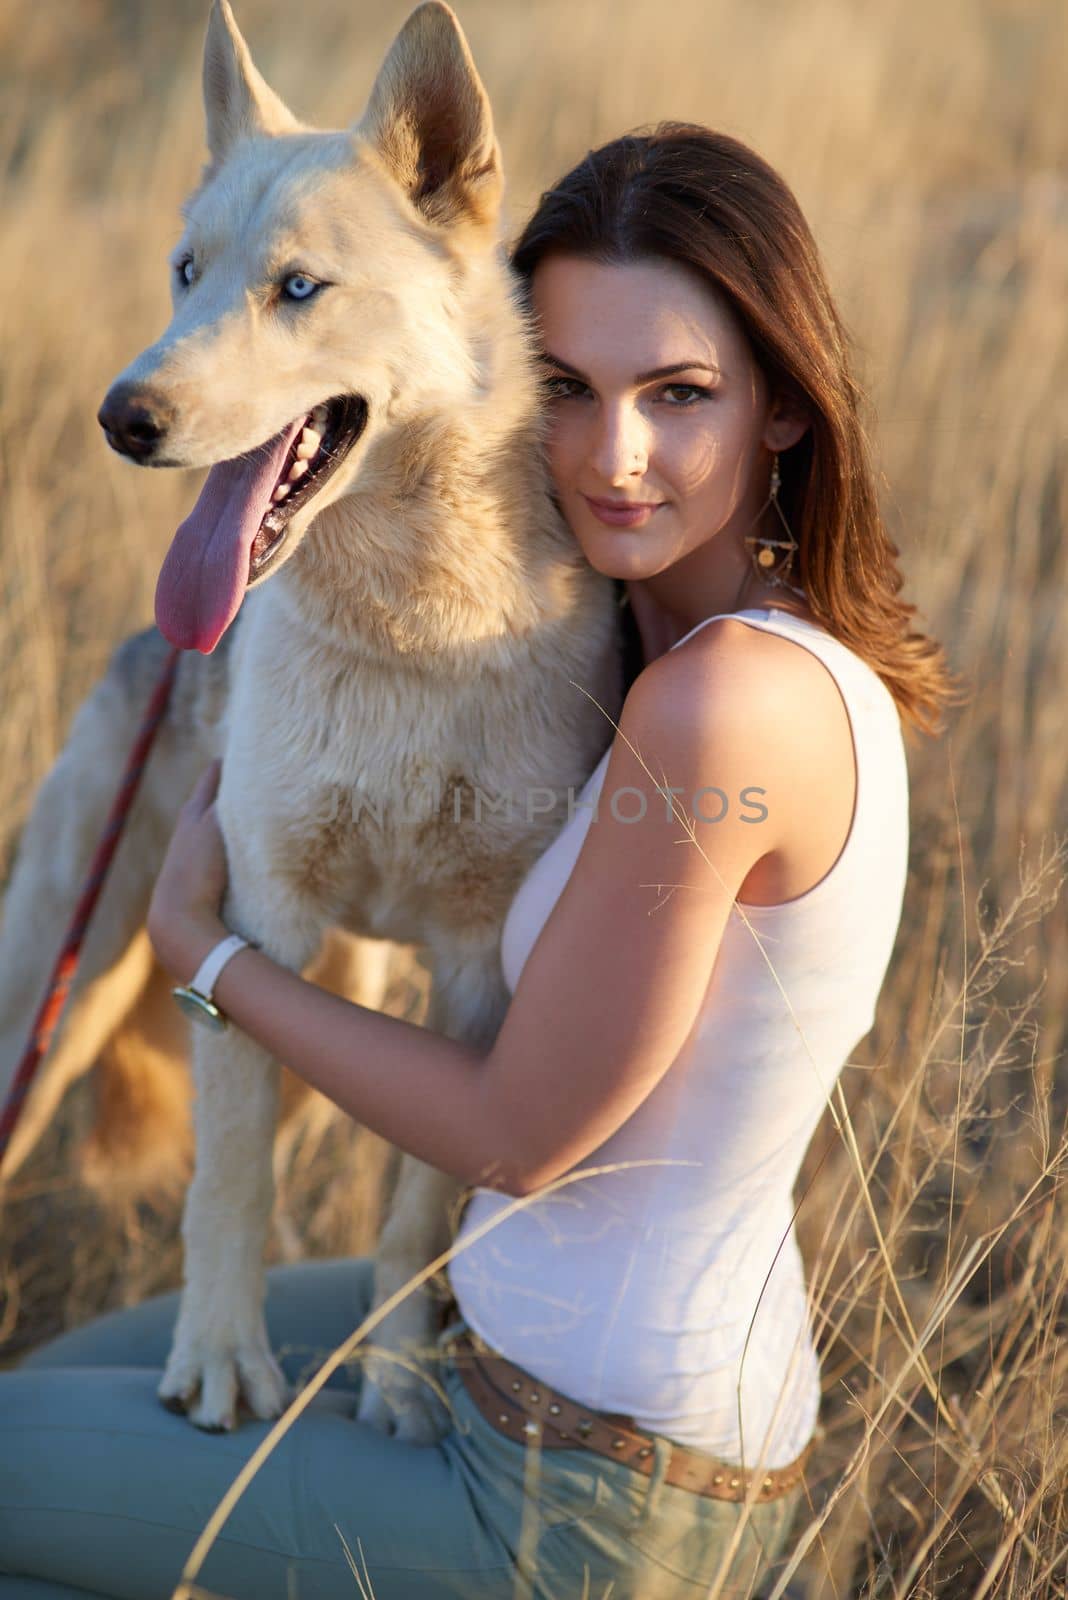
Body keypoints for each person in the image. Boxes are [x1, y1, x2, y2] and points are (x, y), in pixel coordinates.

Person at [0, 124, 958, 1600]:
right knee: (66, 1376)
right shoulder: (641, 645)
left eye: (681, 395)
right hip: (493, 1350)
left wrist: (211, 960)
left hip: (582, 1499)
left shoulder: (725, 704)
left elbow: (518, 1133)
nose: (612, 453)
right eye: (569, 388)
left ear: (782, 404)